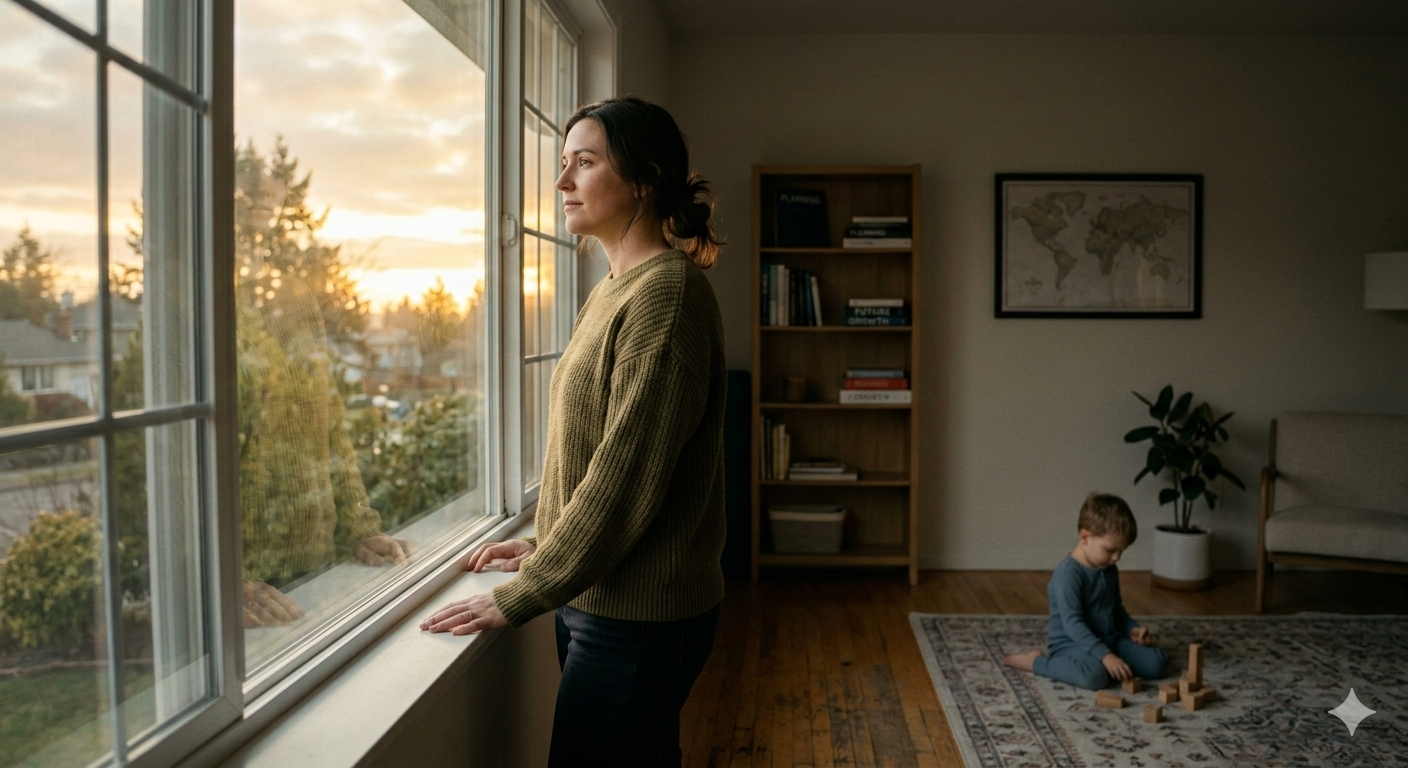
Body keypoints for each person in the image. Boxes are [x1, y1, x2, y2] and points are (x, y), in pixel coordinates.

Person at [420, 96, 727, 767]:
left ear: (642, 181)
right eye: (564, 163)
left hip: (639, 621)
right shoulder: (615, 288)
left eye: (583, 163)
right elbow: (592, 451)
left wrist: (527, 592)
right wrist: (542, 544)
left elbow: (625, 476)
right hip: (604, 601)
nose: (561, 183)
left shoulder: (665, 296)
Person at [1002, 493, 1169, 690]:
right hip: (1071, 643)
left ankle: (1106, 660)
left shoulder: (1109, 568)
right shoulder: (1068, 575)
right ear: (1085, 537)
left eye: (1121, 551)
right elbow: (1073, 625)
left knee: (1158, 663)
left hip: (1107, 639)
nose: (1117, 557)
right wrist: (1106, 656)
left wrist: (1132, 629)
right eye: (1110, 550)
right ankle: (1035, 661)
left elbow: (1116, 608)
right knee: (1094, 677)